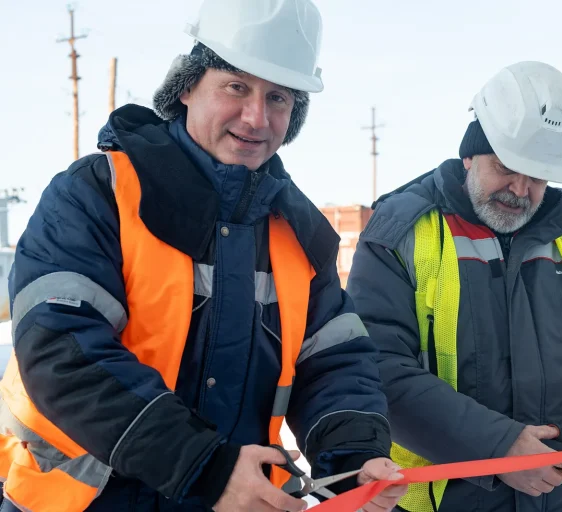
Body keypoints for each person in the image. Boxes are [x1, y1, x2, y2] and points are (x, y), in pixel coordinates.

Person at [0, 0, 408, 510]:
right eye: (236, 86)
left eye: (278, 97)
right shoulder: (97, 193)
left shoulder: (300, 233)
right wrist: (204, 468)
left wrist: (353, 461)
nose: (256, 117)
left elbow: (335, 364)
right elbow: (61, 349)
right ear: (187, 87)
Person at [345, 61, 562, 512]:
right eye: (505, 167)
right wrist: (494, 447)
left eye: (537, 176)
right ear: (470, 154)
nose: (520, 190)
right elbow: (375, 363)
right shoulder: (403, 231)